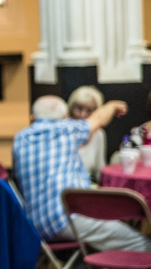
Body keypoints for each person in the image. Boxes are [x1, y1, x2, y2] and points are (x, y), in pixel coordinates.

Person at [13, 95, 151, 252]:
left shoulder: (20, 138)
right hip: (66, 220)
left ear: (32, 117)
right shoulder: (66, 129)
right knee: (143, 245)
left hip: (33, 225)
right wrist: (113, 105)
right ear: (66, 117)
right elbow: (99, 119)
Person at [67, 86, 107, 181]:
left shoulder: (98, 134)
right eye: (79, 109)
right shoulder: (63, 130)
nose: (83, 115)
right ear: (71, 109)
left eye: (89, 110)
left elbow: (100, 169)